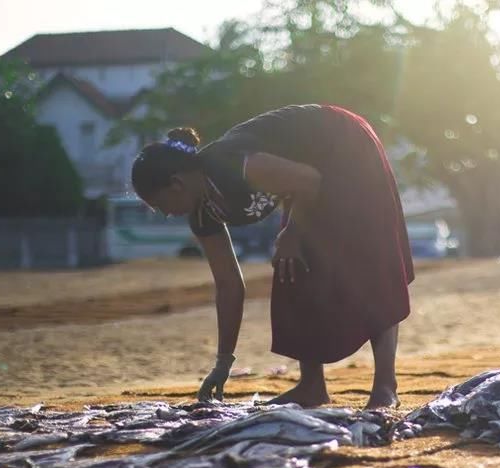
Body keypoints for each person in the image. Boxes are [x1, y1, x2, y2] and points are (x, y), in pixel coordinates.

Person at [131, 104, 415, 409]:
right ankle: (311, 386)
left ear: (177, 183)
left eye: (160, 204)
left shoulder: (231, 165)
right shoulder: (202, 214)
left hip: (344, 147)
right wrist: (223, 362)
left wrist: (292, 233)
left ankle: (385, 386)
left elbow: (309, 181)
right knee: (291, 267)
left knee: (369, 266)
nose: (165, 213)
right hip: (306, 182)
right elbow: (228, 284)